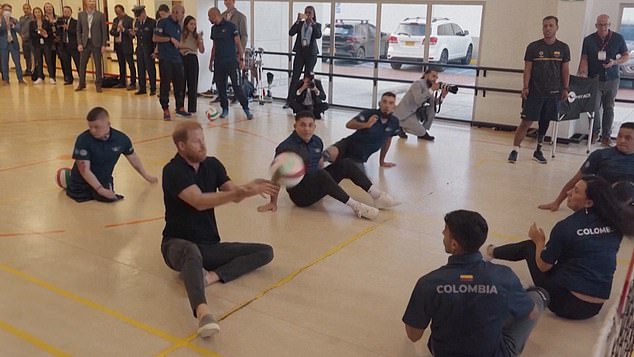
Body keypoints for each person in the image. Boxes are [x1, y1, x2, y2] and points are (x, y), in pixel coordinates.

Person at [161, 121, 278, 337]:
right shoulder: (173, 171)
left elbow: (233, 194)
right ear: (181, 146)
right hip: (176, 245)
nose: (203, 145)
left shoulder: (212, 165)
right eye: (196, 142)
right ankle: (203, 312)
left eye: (203, 140)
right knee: (190, 252)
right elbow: (199, 201)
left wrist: (250, 187)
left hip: (208, 246)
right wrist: (241, 192)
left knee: (265, 251)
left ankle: (210, 277)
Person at [487, 176, 634, 320]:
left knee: (529, 247)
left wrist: (539, 241)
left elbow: (543, 266)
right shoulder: (615, 224)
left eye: (576, 191)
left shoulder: (566, 227)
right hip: (594, 308)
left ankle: (490, 252)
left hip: (564, 303)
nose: (568, 192)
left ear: (589, 202)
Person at [403, 210, 547, 356]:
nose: (442, 232)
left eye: (445, 230)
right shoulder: (504, 276)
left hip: (442, 352)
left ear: (454, 245)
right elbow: (531, 313)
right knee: (538, 297)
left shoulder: (428, 283)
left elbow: (413, 335)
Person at [258, 111, 398, 220]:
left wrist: (327, 182)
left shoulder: (317, 141)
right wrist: (273, 203)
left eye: (310, 125)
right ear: (295, 126)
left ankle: (377, 196)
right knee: (321, 174)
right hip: (300, 195)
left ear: (314, 126)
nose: (306, 129)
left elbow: (319, 162)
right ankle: (356, 207)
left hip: (317, 183)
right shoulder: (286, 148)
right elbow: (277, 177)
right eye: (302, 125)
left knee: (346, 163)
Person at [507, 16, 570, 164]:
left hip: (554, 93)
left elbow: (565, 70)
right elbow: (527, 68)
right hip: (535, 92)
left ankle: (539, 150)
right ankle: (515, 149)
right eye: (545, 26)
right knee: (526, 122)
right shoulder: (533, 47)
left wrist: (566, 88)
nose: (547, 28)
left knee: (545, 122)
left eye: (550, 26)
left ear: (556, 27)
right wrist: (525, 87)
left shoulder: (563, 48)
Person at [66, 107, 157, 203]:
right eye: (90, 127)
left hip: (104, 180)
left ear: (108, 124)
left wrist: (146, 175)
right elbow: (84, 170)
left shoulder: (121, 139)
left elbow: (133, 157)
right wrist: (100, 189)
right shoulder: (83, 140)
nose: (92, 130)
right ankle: (68, 179)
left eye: (96, 127)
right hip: (80, 185)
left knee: (109, 199)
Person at [538, 122, 634, 211]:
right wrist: (557, 202)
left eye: (628, 138)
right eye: (619, 136)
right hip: (603, 204)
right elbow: (576, 180)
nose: (622, 140)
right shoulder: (600, 155)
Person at [578, 14, 630, 146]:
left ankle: (606, 136)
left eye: (605, 24)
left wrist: (614, 62)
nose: (603, 27)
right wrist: (583, 72)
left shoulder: (618, 38)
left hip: (612, 78)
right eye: (600, 25)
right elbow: (584, 58)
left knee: (609, 107)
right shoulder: (589, 40)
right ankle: (594, 133)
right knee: (593, 107)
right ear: (596, 25)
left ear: (609, 25)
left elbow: (626, 56)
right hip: (594, 79)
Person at [323, 92, 401, 168]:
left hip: (359, 157)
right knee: (327, 155)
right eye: (384, 102)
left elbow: (387, 141)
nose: (387, 106)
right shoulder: (369, 114)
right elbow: (349, 124)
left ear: (394, 107)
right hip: (348, 145)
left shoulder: (394, 122)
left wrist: (382, 161)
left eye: (391, 103)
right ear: (380, 104)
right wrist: (366, 125)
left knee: (349, 172)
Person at [208, 7, 252, 120]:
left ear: (215, 15)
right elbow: (214, 46)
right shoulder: (213, 29)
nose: (209, 19)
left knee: (237, 87)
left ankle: (246, 109)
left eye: (210, 17)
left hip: (232, 62)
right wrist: (211, 60)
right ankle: (225, 109)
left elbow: (238, 43)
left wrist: (241, 59)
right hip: (219, 62)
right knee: (221, 87)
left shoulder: (231, 26)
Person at [153, 4, 189, 120]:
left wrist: (183, 49)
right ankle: (165, 109)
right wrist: (170, 39)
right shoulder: (162, 22)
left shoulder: (178, 26)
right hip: (166, 59)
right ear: (174, 12)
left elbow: (177, 44)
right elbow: (155, 38)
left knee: (180, 84)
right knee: (165, 85)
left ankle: (180, 107)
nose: (183, 15)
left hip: (177, 59)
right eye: (181, 13)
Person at [394, 68, 448, 142]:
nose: (435, 79)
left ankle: (423, 131)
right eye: (433, 76)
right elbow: (418, 100)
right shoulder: (417, 84)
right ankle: (400, 127)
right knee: (421, 132)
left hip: (415, 112)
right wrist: (432, 89)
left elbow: (433, 103)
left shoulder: (429, 86)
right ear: (426, 75)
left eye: (436, 77)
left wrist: (443, 96)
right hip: (405, 115)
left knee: (432, 109)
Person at [285, 6, 321, 108]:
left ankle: (305, 101)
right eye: (306, 12)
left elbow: (318, 35)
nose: (308, 14)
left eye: (310, 13)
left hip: (311, 54)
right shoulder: (300, 24)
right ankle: (290, 100)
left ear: (313, 14)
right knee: (295, 77)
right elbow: (291, 33)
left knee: (307, 78)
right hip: (300, 53)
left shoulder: (316, 25)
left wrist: (313, 23)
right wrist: (297, 21)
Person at [76, 0, 108, 92]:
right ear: (86, 3)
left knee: (98, 65)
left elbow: (104, 31)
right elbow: (78, 30)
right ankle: (81, 83)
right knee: (82, 64)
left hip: (96, 43)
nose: (92, 3)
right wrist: (79, 43)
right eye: (90, 1)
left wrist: (103, 45)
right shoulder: (81, 15)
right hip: (85, 43)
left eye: (93, 1)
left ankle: (98, 84)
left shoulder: (100, 15)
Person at [180, 15, 204, 114]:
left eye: (194, 24)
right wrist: (185, 49)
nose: (193, 26)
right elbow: (179, 48)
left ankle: (192, 108)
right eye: (191, 24)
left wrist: (201, 40)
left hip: (193, 59)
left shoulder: (196, 36)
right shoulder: (181, 34)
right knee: (181, 84)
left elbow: (202, 50)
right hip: (182, 59)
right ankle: (180, 106)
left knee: (193, 84)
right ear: (186, 25)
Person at [131, 5, 156, 96]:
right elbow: (136, 35)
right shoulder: (137, 23)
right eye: (136, 16)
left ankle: (153, 88)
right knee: (140, 69)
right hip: (140, 50)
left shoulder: (152, 22)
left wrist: (155, 51)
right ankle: (142, 88)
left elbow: (155, 37)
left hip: (149, 49)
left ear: (144, 13)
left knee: (150, 69)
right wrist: (132, 34)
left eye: (139, 16)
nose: (138, 18)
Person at [109, 4, 136, 90]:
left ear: (123, 11)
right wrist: (116, 31)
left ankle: (133, 83)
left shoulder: (130, 20)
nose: (118, 14)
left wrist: (123, 30)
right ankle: (122, 82)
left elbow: (132, 35)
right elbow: (112, 31)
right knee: (121, 64)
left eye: (119, 12)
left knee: (131, 64)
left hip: (127, 45)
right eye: (116, 12)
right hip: (118, 45)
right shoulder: (115, 20)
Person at [0, 4, 25, 84]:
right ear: (2, 10)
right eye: (5, 10)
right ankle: (6, 80)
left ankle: (20, 79)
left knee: (17, 62)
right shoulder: (0, 20)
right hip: (3, 44)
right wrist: (4, 24)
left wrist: (12, 25)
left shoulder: (14, 20)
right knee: (4, 62)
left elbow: (19, 29)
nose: (7, 12)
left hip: (13, 44)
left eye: (9, 10)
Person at [57, 6, 79, 85]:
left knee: (78, 63)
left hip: (73, 46)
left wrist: (68, 28)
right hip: (64, 45)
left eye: (67, 11)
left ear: (71, 12)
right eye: (64, 11)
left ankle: (82, 79)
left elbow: (77, 32)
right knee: (66, 63)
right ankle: (69, 79)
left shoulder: (75, 22)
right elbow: (58, 33)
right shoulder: (61, 22)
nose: (66, 13)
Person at [29, 7, 51, 84]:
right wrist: (39, 33)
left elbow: (50, 32)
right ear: (34, 14)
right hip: (37, 44)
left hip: (46, 44)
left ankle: (52, 77)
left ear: (41, 13)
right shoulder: (32, 23)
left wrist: (45, 34)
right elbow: (31, 35)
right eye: (36, 12)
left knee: (48, 60)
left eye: (39, 12)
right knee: (39, 61)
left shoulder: (46, 22)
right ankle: (40, 76)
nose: (37, 14)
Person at [42, 2, 57, 84]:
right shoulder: (43, 19)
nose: (48, 8)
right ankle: (51, 76)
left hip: (57, 42)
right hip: (48, 42)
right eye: (47, 7)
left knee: (57, 59)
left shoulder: (57, 17)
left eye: (50, 7)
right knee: (49, 59)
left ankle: (66, 76)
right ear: (44, 9)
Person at [18, 3, 33, 77]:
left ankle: (36, 70)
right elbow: (19, 28)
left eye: (27, 8)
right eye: (24, 8)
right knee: (26, 56)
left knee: (34, 56)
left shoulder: (33, 18)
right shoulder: (21, 18)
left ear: (30, 9)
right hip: (24, 40)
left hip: (32, 40)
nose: (26, 10)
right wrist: (21, 35)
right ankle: (28, 70)